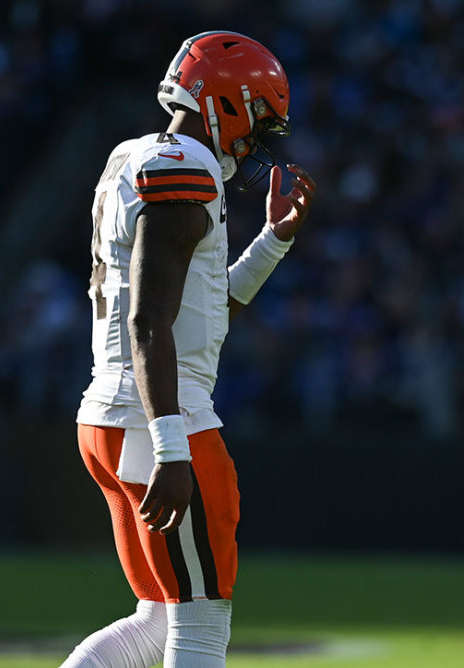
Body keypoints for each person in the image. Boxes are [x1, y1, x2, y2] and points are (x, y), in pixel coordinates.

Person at [63, 31, 317, 667]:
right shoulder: (186, 170)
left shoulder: (136, 157)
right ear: (223, 102)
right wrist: (173, 446)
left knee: (155, 622)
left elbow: (199, 313)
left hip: (109, 415)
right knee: (200, 627)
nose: (257, 140)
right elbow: (150, 322)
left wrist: (272, 241)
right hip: (158, 418)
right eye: (256, 118)